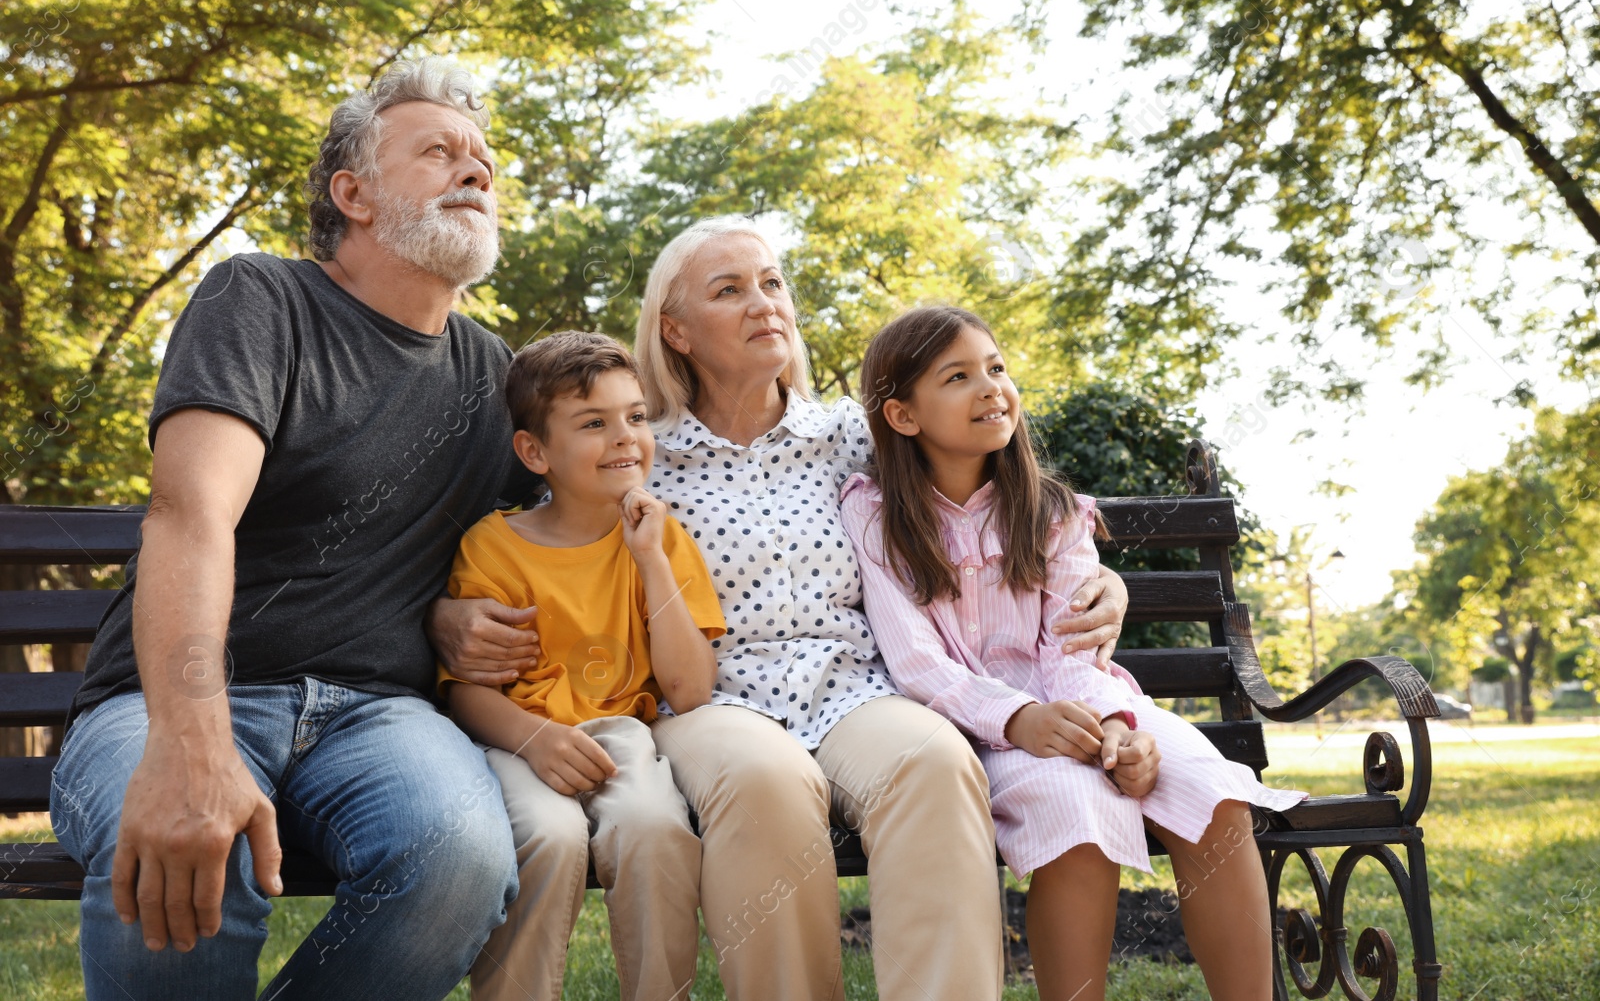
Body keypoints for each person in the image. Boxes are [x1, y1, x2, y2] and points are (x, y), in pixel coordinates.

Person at [429, 214, 1131, 1001]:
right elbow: (526, 542)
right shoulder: (636, 449)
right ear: (677, 330)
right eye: (729, 290)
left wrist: (1103, 572)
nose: (764, 302)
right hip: (711, 701)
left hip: (855, 688)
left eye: (772, 283)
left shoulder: (851, 437)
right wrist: (443, 617)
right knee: (768, 779)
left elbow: (992, 491)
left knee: (935, 763)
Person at [48, 58, 537, 1001]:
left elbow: (537, 535)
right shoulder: (260, 299)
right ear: (351, 193)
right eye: (439, 152)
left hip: (377, 714)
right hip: (175, 694)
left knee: (462, 856)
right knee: (192, 841)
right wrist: (190, 744)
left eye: (483, 158)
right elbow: (191, 514)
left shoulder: (491, 373)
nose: (475, 171)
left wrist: (447, 616)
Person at [839, 305, 1307, 1001]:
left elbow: (1075, 643)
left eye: (996, 367)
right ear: (904, 415)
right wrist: (1021, 718)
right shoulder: (877, 516)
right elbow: (917, 663)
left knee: (1215, 795)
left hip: (1090, 706)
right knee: (1076, 809)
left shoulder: (1053, 511)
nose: (991, 386)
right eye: (959, 376)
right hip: (976, 732)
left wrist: (1119, 729)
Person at [440, 331, 725, 1001]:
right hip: (516, 739)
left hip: (622, 737)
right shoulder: (494, 546)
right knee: (549, 835)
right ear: (535, 451)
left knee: (655, 830)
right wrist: (535, 739)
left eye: (634, 416)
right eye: (594, 422)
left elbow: (690, 686)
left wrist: (651, 558)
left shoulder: (661, 538)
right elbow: (465, 693)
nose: (625, 436)